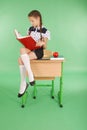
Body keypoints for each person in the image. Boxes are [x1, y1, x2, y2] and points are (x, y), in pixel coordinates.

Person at [18, 10, 50, 97]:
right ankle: (29, 77)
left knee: (20, 59)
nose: (31, 23)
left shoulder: (44, 31)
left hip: (38, 51)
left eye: (32, 21)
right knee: (22, 49)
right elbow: (28, 41)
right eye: (30, 21)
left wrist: (42, 43)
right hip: (30, 48)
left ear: (38, 18)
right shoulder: (30, 29)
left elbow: (45, 47)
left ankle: (23, 84)